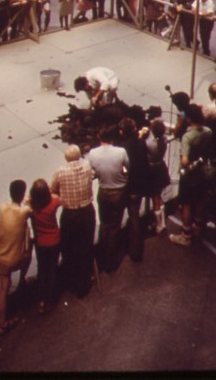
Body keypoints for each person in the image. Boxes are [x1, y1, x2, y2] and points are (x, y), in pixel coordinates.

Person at [50, 145, 96, 298]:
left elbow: (52, 190)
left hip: (70, 215)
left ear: (66, 158)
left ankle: (71, 282)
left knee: (68, 249)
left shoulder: (60, 172)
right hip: (87, 212)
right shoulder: (88, 166)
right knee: (85, 247)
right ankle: (84, 283)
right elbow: (93, 174)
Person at [169, 103, 213, 247]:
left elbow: (184, 161)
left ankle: (186, 235)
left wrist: (186, 165)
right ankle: (198, 228)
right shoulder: (207, 131)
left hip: (190, 174)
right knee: (200, 199)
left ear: (189, 119)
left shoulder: (187, 137)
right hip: (202, 171)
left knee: (186, 203)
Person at [87, 126, 129, 273]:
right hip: (119, 192)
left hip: (103, 192)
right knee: (115, 225)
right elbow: (127, 168)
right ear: (112, 138)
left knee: (105, 224)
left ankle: (102, 258)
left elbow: (92, 172)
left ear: (99, 136)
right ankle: (112, 260)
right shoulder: (121, 152)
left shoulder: (92, 153)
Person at [0, 179, 33, 335]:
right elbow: (30, 209)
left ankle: (2, 320)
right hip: (15, 259)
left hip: (0, 257)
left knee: (4, 286)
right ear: (22, 194)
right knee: (28, 250)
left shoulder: (3, 208)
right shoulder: (24, 211)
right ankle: (22, 278)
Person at [118, 117, 151, 262]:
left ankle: (125, 250)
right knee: (134, 216)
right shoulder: (141, 143)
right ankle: (135, 249)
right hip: (139, 185)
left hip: (127, 186)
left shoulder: (122, 148)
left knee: (122, 217)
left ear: (121, 132)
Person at [28, 179, 62, 313]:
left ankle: (42, 300)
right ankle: (51, 298)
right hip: (54, 240)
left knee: (42, 270)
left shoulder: (32, 207)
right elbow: (57, 198)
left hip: (41, 242)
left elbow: (27, 201)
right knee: (52, 269)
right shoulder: (53, 203)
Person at [145, 118, 170, 234]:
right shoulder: (164, 140)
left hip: (152, 170)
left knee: (155, 198)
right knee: (159, 196)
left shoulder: (150, 144)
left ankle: (159, 226)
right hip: (161, 167)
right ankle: (162, 222)